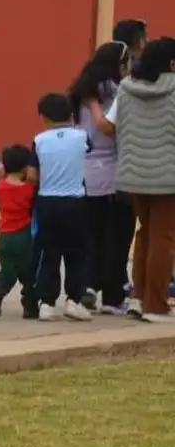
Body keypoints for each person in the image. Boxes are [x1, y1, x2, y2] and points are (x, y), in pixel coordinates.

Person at [109, 36, 175, 323]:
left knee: (145, 232)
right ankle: (156, 305)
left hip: (133, 173)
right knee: (165, 237)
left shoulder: (125, 88)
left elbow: (115, 126)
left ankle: (138, 297)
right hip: (168, 177)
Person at [72, 41, 132, 314]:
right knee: (116, 237)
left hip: (83, 170)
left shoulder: (79, 91)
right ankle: (112, 294)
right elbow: (110, 127)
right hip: (111, 171)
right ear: (120, 64)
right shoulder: (117, 91)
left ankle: (86, 286)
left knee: (89, 236)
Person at [32, 93, 93, 322]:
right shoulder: (82, 137)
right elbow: (89, 149)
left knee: (49, 253)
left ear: (42, 117)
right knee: (77, 254)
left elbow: (33, 174)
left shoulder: (38, 140)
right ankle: (74, 301)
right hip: (75, 202)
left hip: (47, 202)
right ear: (70, 114)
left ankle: (47, 303)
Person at [0, 145, 40, 319]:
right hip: (23, 236)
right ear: (26, 167)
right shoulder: (28, 189)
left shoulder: (1, 187)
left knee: (8, 271)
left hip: (5, 236)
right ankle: (30, 306)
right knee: (29, 273)